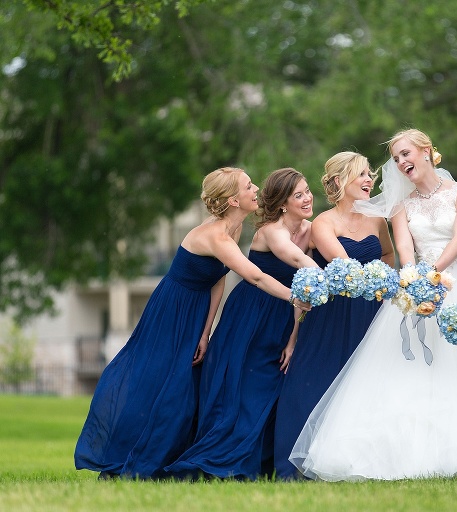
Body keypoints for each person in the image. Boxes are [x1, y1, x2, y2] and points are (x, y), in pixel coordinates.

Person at [289, 129, 457, 482]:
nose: (401, 162)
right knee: (413, 369)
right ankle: (410, 453)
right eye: (396, 158)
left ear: (427, 151)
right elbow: (403, 249)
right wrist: (415, 281)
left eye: (406, 153)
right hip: (419, 286)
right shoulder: (400, 206)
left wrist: (430, 275)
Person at [74, 167, 311, 480]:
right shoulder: (215, 235)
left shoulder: (234, 228)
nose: (256, 189)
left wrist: (206, 331)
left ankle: (171, 456)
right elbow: (254, 275)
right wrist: (295, 298)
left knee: (189, 389)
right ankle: (126, 457)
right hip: (173, 308)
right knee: (161, 383)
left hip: (197, 309)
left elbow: (217, 280)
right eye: (248, 186)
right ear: (233, 200)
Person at [165, 168, 318, 481]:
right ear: (284, 203)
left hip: (284, 313)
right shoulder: (269, 232)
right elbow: (285, 272)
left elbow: (305, 289)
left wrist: (293, 337)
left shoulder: (310, 230)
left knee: (273, 387)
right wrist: (336, 279)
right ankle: (224, 458)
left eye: (307, 191)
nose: (307, 198)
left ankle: (263, 461)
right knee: (241, 385)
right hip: (253, 314)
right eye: (298, 194)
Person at [274, 151, 395, 480]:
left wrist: (385, 282)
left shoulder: (377, 221)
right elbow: (344, 265)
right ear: (340, 181)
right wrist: (373, 280)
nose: (370, 180)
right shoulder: (323, 224)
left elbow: (386, 254)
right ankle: (295, 464)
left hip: (370, 311)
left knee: (364, 383)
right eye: (362, 174)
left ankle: (358, 460)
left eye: (370, 174)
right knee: (315, 379)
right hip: (332, 313)